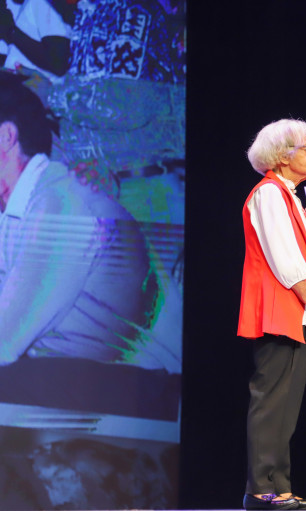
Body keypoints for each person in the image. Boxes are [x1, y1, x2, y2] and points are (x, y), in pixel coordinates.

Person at [0, 72, 180, 373]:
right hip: (90, 382)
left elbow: (4, 340)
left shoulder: (60, 207)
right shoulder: (18, 205)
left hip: (153, 388)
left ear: (6, 136)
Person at [238, 118, 306, 511]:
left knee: (287, 406)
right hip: (278, 308)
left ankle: (281, 486)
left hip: (297, 310)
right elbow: (282, 256)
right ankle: (260, 489)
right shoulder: (270, 194)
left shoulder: (291, 197)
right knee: (270, 401)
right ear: (282, 155)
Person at [0, 0, 72, 79]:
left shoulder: (42, 3)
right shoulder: (30, 4)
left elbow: (58, 64)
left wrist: (11, 31)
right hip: (20, 78)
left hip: (37, 83)